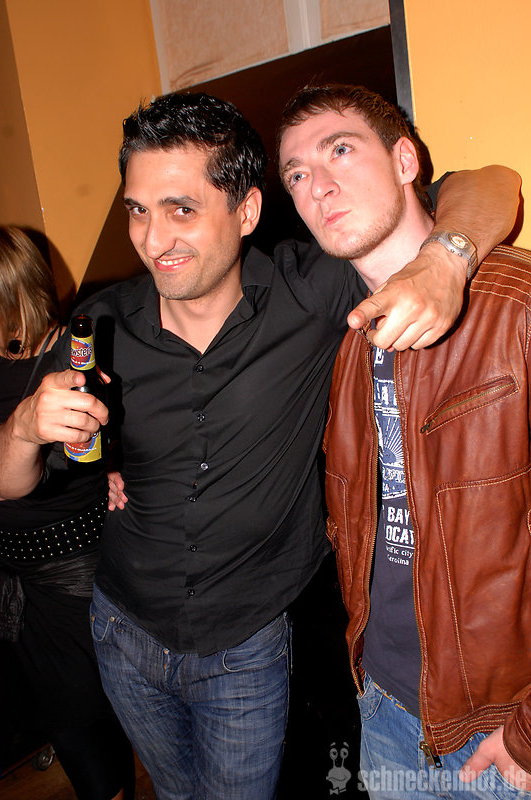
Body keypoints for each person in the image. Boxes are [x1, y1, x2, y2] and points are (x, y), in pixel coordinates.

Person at [0, 93, 520, 800]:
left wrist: (445, 262)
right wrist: (26, 428)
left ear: (246, 212)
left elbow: (488, 183)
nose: (153, 239)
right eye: (138, 210)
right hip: (123, 630)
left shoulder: (315, 290)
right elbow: (9, 484)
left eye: (181, 209)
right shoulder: (101, 323)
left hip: (243, 650)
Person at [277, 82, 531, 799]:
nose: (317, 185)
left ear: (405, 161)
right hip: (385, 705)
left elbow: (495, 180)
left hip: (501, 729)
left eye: (339, 150)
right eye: (296, 174)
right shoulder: (348, 348)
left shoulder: (515, 307)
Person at [0, 226, 134, 800]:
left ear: (12, 297)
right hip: (11, 578)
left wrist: (116, 467)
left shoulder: (78, 352)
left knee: (89, 715)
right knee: (61, 715)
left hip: (75, 577)